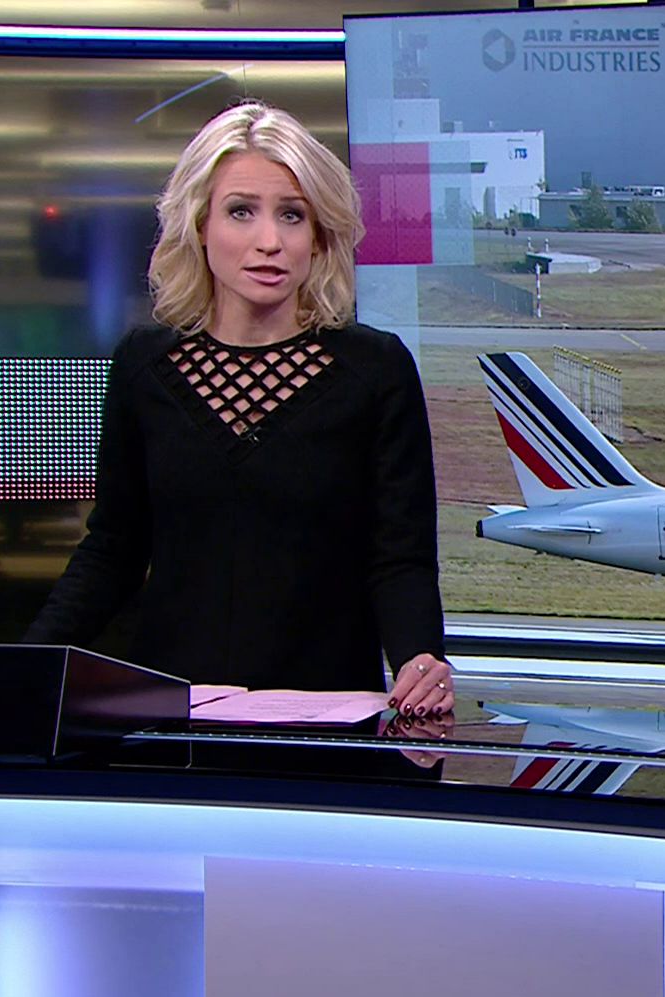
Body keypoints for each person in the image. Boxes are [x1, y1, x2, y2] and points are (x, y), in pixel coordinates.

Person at [24, 101, 453, 772]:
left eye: (292, 215)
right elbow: (114, 548)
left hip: (325, 734)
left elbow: (398, 557)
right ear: (199, 225)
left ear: (320, 235)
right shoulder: (144, 366)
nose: (269, 241)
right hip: (171, 733)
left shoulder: (375, 371)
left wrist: (420, 660)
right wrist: (26, 666)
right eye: (241, 211)